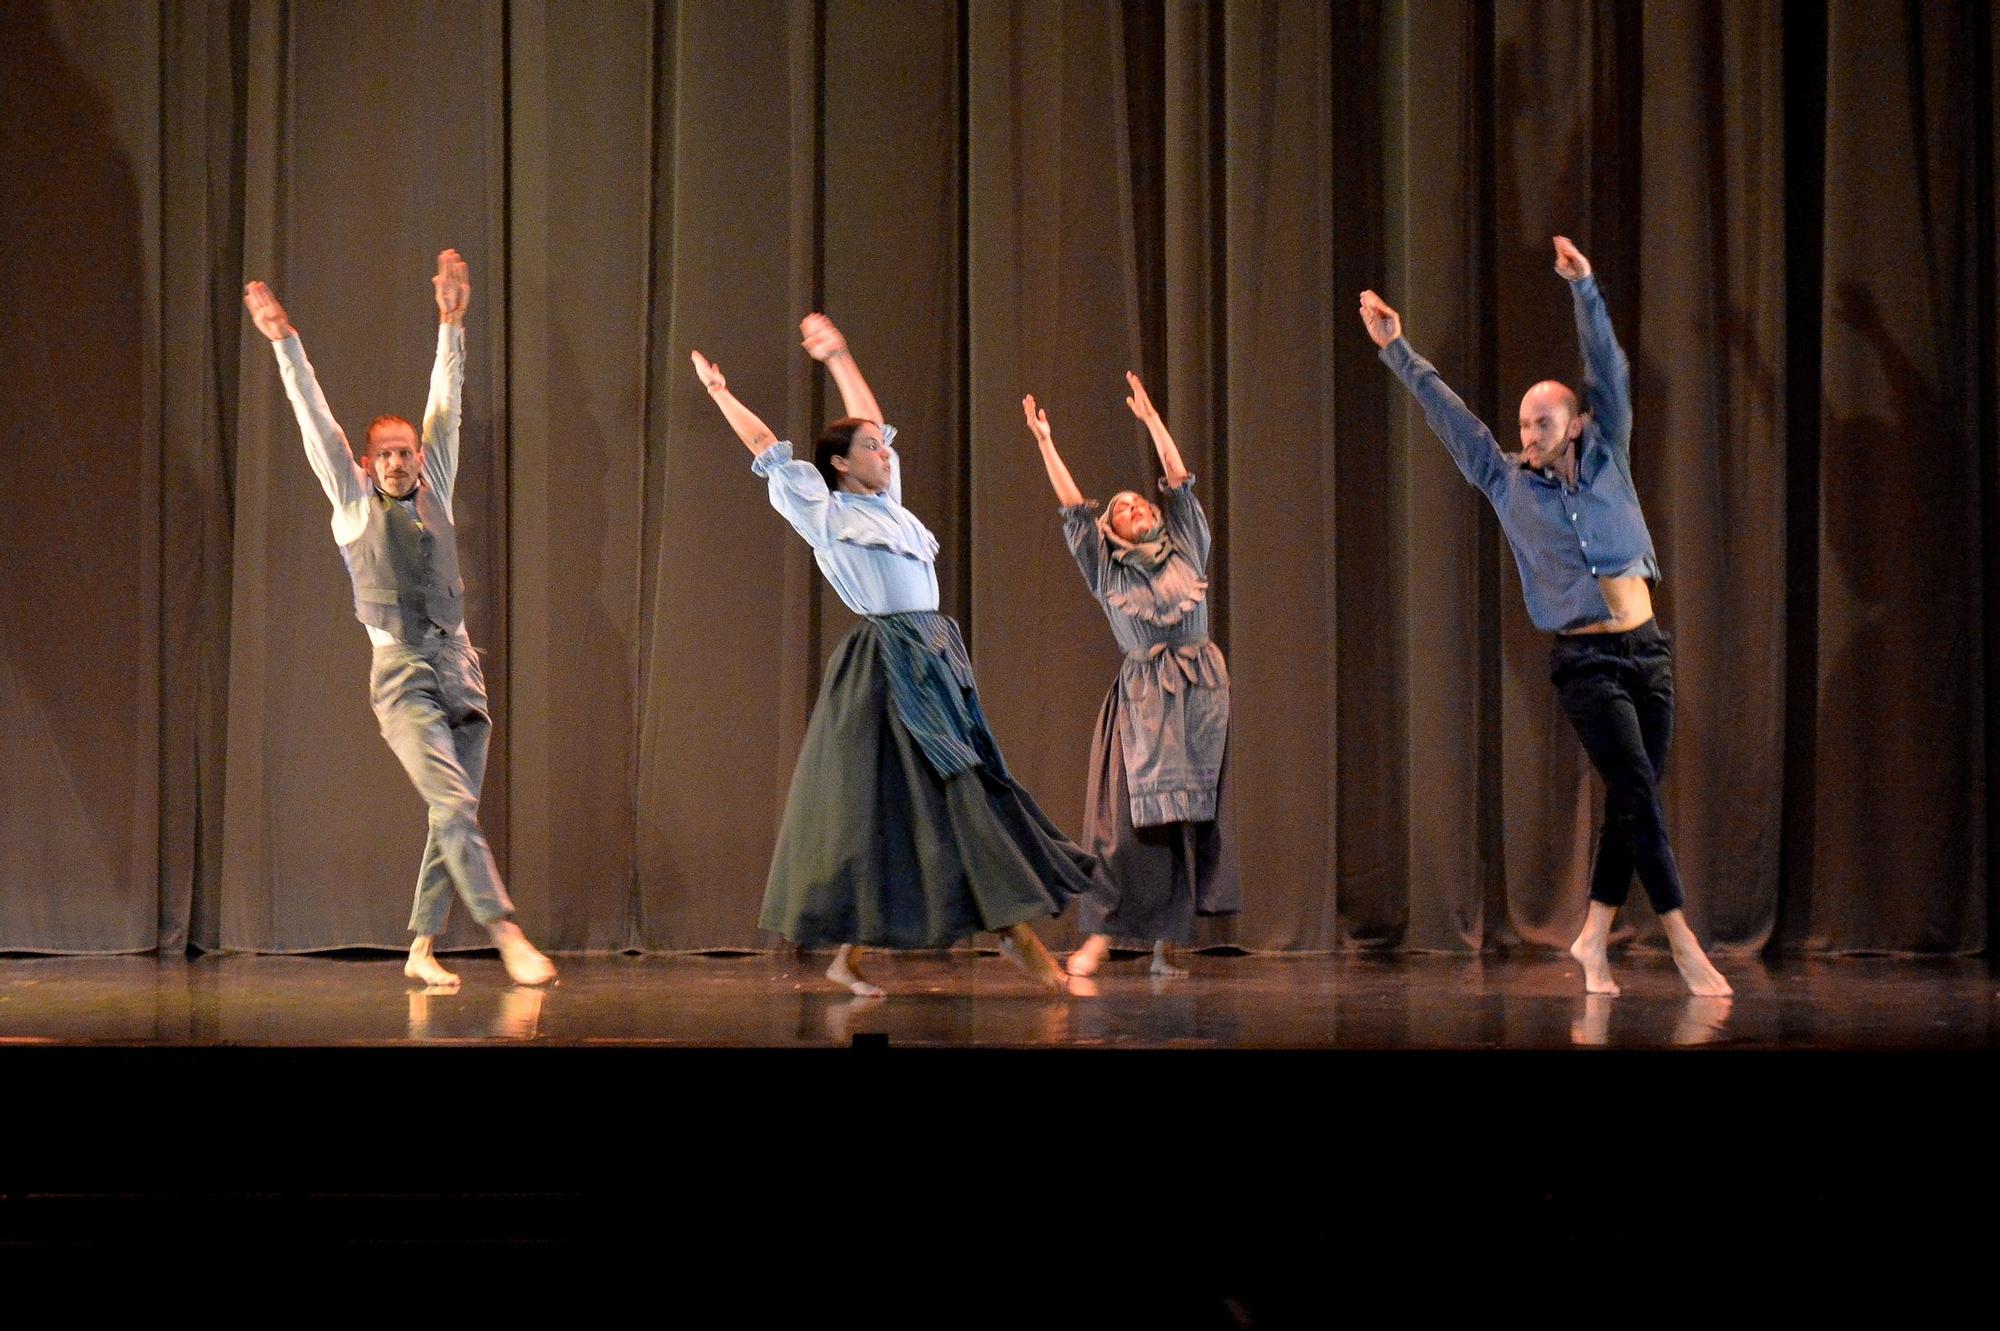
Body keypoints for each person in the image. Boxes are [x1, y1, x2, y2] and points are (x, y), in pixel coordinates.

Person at [1359, 236, 1730, 997]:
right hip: (1587, 662)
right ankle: (1685, 944)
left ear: (1576, 422)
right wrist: (1399, 350)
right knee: (1636, 787)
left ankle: (1592, 935)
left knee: (1634, 798)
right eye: (1524, 426)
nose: (1528, 437)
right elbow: (1450, 416)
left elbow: (1610, 369)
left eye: (1542, 424)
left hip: (1648, 649)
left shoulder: (1610, 455)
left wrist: (1584, 287)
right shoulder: (1505, 481)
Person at [690, 315, 1093, 996]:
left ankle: (854, 952)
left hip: (935, 652)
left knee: (908, 805)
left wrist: (841, 353)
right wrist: (722, 394)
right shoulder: (821, 506)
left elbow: (867, 415)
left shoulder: (890, 503)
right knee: (939, 795)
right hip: (888, 663)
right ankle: (1015, 936)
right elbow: (765, 445)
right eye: (870, 447)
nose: (884, 450)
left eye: (882, 446)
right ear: (841, 463)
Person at [244, 251, 556, 989]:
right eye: (382, 454)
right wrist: (285, 340)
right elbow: (312, 417)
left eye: (404, 452)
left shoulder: (435, 484)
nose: (394, 462)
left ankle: (420, 947)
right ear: (366, 460)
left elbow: (445, 399)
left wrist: (453, 322)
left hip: (461, 666)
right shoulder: (352, 506)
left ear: (418, 457)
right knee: (451, 804)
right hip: (403, 675)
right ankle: (506, 931)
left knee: (452, 816)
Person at [1021, 375, 1239, 978]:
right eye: (1122, 509)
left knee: (1184, 823)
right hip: (1142, 698)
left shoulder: (1188, 544)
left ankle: (1168, 949)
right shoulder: (1106, 570)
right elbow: (1073, 511)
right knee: (1119, 827)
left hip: (1198, 695)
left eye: (1140, 503)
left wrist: (1152, 423)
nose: (1136, 507)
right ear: (1111, 534)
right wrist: (1045, 442)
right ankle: (1098, 938)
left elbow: (1179, 481)